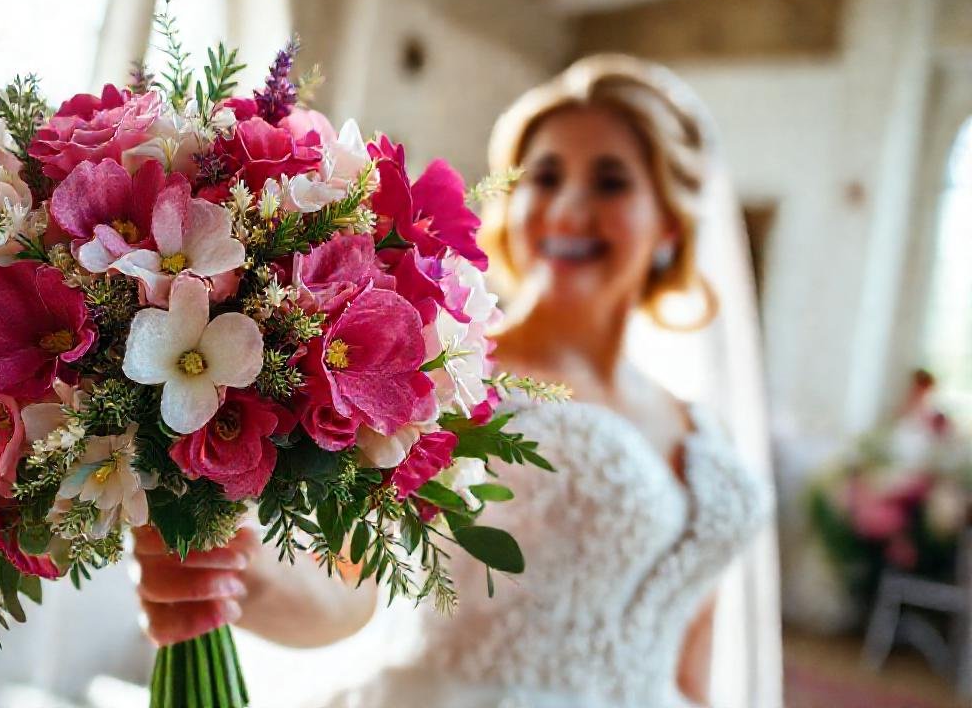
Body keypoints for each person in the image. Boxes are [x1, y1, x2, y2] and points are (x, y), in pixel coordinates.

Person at [133, 54, 776, 708]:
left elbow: (692, 667)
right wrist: (232, 577)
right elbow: (347, 586)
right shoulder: (447, 375)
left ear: (669, 221)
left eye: (609, 183)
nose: (567, 207)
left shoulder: (704, 428)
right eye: (545, 177)